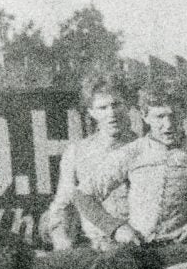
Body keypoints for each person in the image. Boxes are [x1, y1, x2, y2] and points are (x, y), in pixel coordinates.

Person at [74, 80, 187, 249]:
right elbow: (83, 196)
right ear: (145, 116)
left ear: (183, 113)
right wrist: (116, 228)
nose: (168, 125)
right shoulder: (132, 152)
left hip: (183, 250)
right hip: (138, 250)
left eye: (174, 115)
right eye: (160, 116)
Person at [46, 70, 138, 249]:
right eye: (103, 108)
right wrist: (62, 240)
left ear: (128, 106)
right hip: (96, 246)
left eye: (116, 104)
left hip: (139, 244)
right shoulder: (77, 153)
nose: (111, 113)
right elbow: (64, 204)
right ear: (91, 112)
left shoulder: (145, 148)